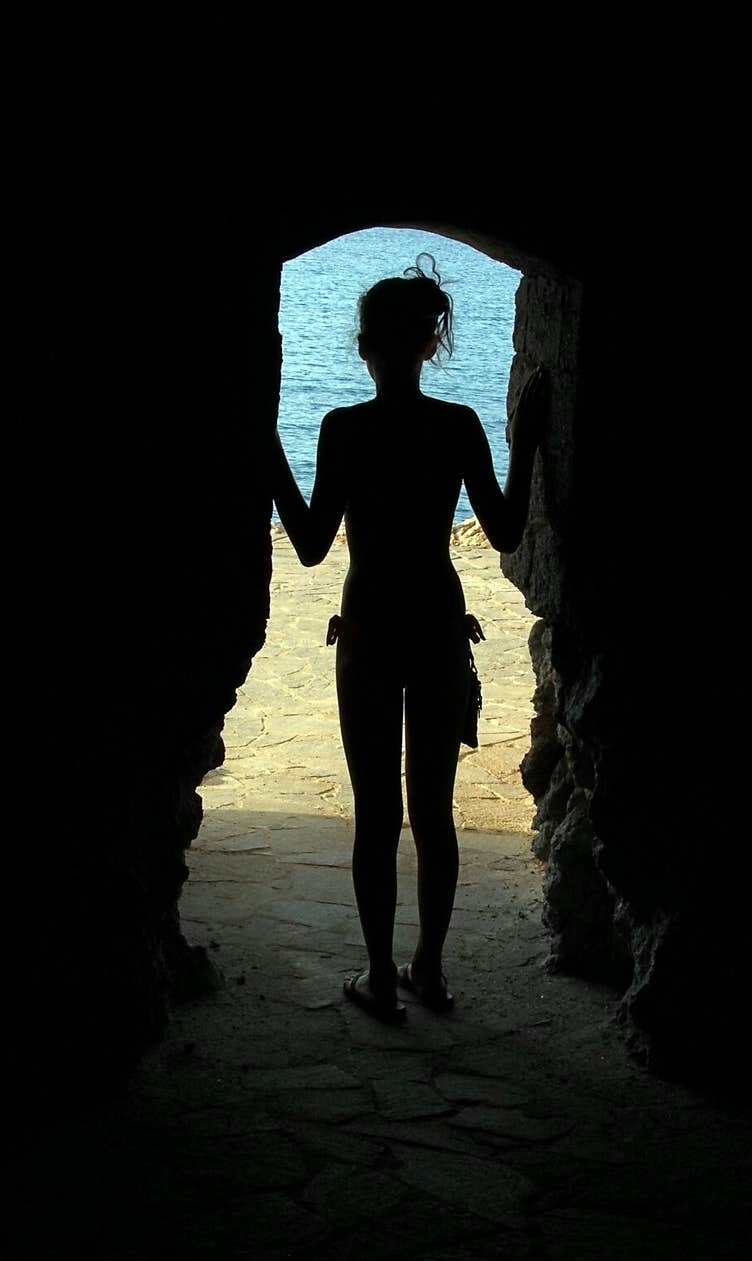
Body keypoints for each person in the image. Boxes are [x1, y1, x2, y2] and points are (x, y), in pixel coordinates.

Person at [269, 254, 548, 1020]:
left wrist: (265, 448)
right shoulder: (456, 427)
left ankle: (378, 974)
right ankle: (430, 968)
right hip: (437, 626)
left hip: (366, 629)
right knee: (434, 810)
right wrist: (525, 436)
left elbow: (310, 543)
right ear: (432, 346)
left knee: (375, 815)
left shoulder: (343, 428)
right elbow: (505, 528)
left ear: (364, 347)